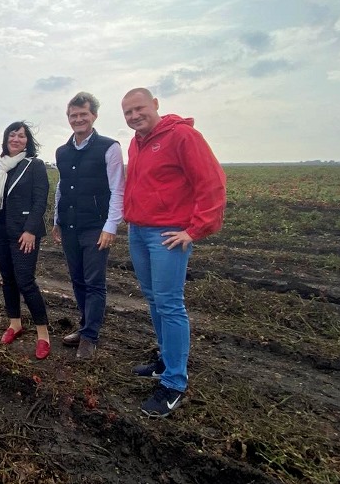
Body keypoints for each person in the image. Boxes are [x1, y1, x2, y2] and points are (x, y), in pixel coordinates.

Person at [121, 87, 226, 418]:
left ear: (155, 105)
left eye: (139, 108)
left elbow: (212, 182)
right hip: (138, 230)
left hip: (166, 235)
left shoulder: (182, 136)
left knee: (169, 303)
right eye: (127, 113)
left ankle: (174, 385)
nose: (134, 116)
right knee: (153, 298)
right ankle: (165, 360)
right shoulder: (137, 143)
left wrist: (194, 230)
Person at [51, 92, 125, 359]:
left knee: (94, 282)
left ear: (94, 115)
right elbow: (61, 186)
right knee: (78, 280)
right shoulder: (63, 151)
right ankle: (84, 327)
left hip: (96, 226)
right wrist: (57, 219)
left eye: (84, 114)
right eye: (74, 115)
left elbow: (118, 190)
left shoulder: (109, 147)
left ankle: (90, 336)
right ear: (68, 118)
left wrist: (111, 226)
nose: (79, 119)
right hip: (70, 225)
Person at [0, 122, 52, 359]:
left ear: (27, 141)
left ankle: (43, 334)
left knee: (25, 281)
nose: (16, 139)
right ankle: (15, 324)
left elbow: (40, 200)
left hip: (23, 234)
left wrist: (31, 230)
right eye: (12, 134)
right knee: (8, 280)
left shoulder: (34, 166)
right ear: (5, 138)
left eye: (21, 136)